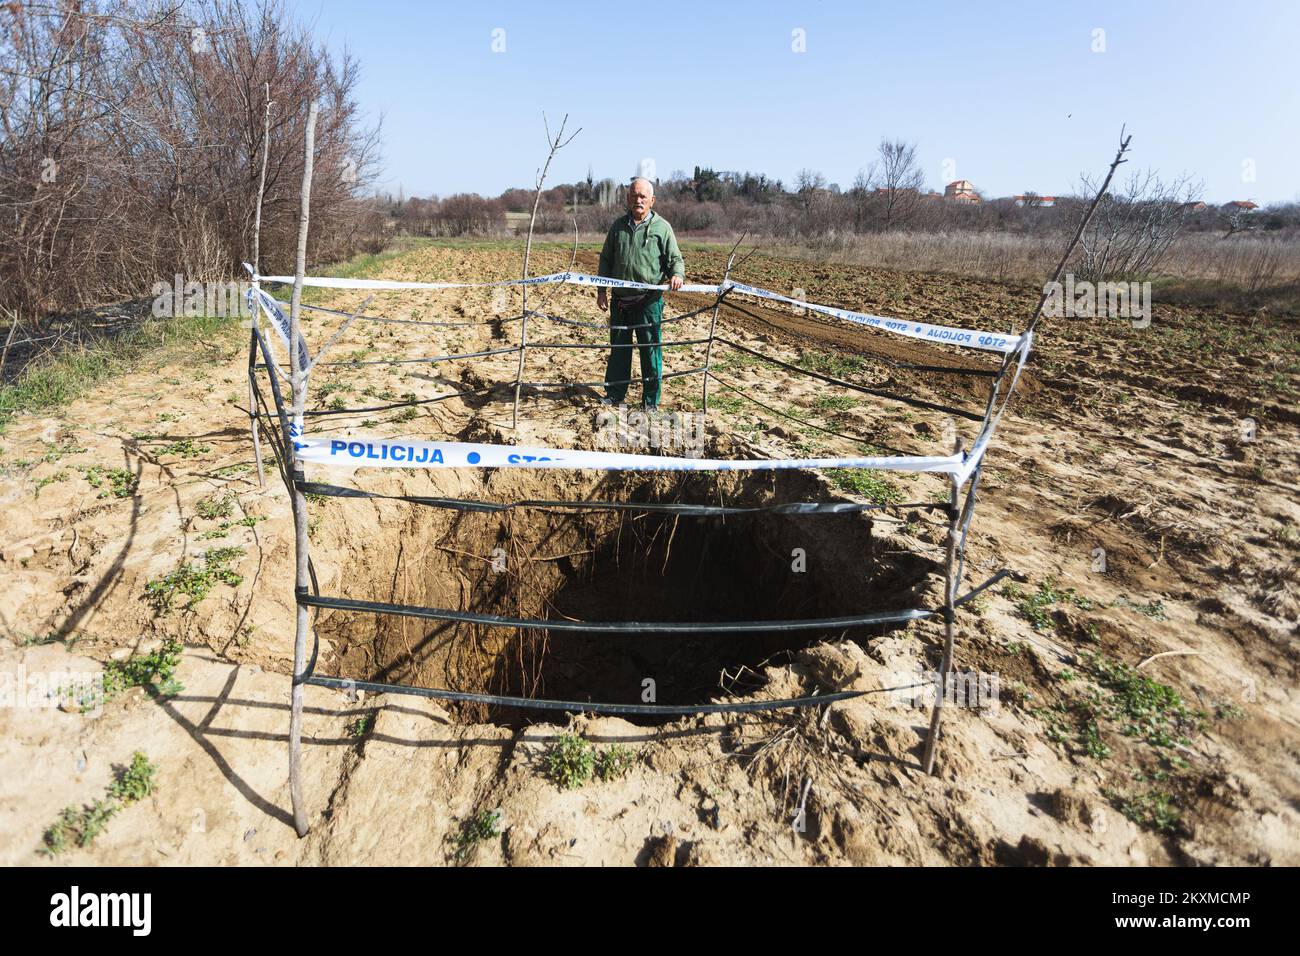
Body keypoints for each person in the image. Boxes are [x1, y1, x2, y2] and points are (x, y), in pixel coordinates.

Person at [596, 177, 685, 409]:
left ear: (652, 200)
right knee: (619, 352)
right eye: (634, 195)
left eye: (643, 196)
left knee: (650, 353)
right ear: (628, 199)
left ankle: (650, 402)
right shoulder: (618, 227)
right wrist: (601, 291)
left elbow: (675, 259)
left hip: (649, 303)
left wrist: (677, 274)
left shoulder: (662, 228)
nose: (638, 200)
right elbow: (606, 259)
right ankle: (615, 395)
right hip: (620, 302)